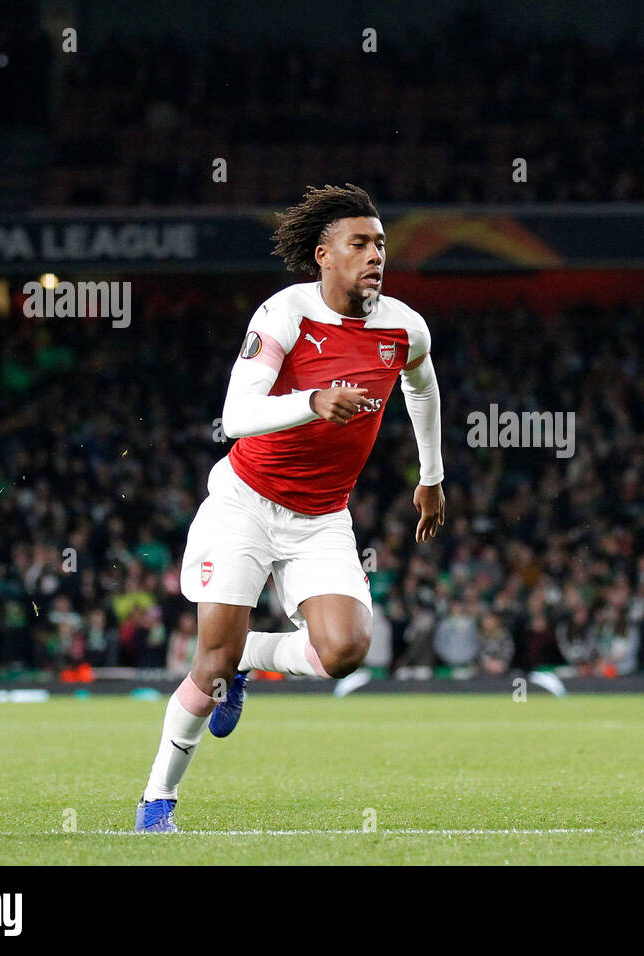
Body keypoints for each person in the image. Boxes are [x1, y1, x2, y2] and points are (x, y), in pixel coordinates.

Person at [135, 184, 446, 832]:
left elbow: (423, 385)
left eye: (380, 244)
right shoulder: (285, 315)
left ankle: (251, 655)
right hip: (245, 504)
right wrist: (312, 401)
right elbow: (237, 415)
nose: (374, 256)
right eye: (359, 244)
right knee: (210, 663)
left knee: (346, 651)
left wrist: (433, 477)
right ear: (323, 255)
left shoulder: (402, 326)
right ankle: (157, 800)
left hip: (322, 515)